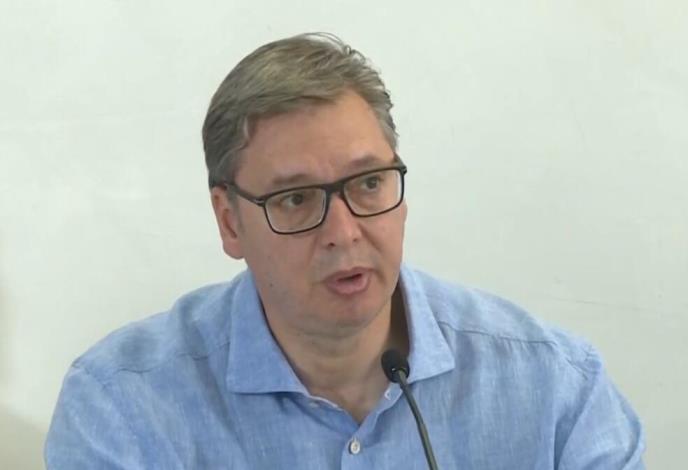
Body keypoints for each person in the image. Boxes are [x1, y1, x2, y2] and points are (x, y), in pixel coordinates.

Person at [45, 33, 645, 469]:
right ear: (230, 222)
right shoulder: (122, 408)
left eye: (368, 183)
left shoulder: (557, 389)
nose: (344, 231)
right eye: (296, 199)